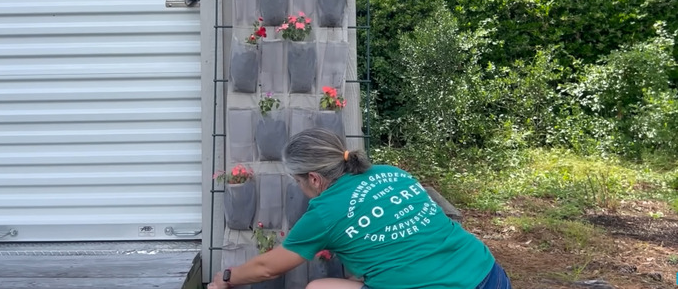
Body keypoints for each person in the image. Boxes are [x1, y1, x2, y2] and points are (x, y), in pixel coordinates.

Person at [209, 128, 511, 289]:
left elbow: (266, 268)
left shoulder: (324, 213)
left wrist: (225, 279)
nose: (300, 188)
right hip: (488, 275)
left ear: (313, 178)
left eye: (298, 181)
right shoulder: (391, 172)